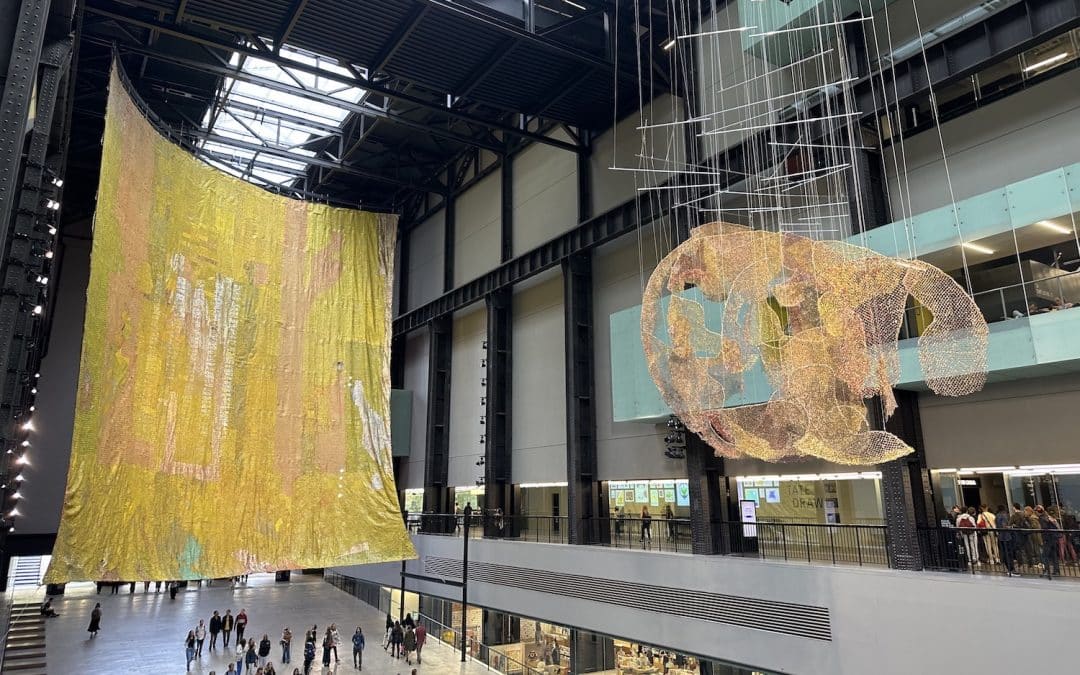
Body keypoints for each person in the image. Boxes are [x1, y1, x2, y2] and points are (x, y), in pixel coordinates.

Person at [1036, 505, 1062, 578]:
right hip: (1054, 538)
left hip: (1048, 539)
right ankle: (1056, 571)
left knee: (1044, 555)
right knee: (1054, 555)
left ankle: (1046, 571)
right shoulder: (1048, 516)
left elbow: (1044, 528)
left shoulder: (1042, 518)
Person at [995, 505, 1017, 575]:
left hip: (1001, 536)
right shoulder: (1004, 516)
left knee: (1004, 553)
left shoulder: (997, 516)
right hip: (1006, 537)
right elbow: (1004, 526)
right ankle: (1011, 569)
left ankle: (1009, 569)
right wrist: (1011, 527)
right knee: (1009, 553)